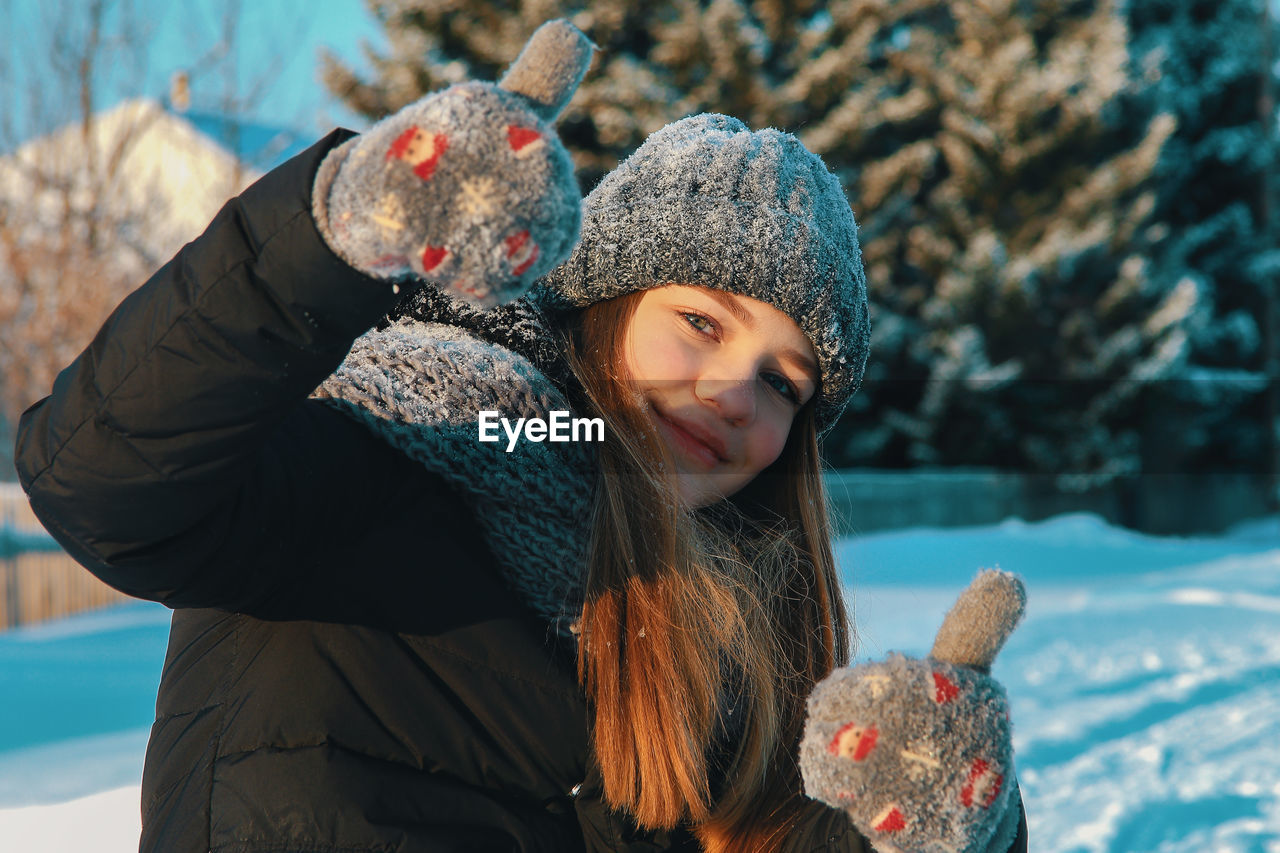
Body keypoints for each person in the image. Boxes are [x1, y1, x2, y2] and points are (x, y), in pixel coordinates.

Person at [14, 20, 1027, 853]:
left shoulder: (719, 629)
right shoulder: (388, 447)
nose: (733, 393)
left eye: (781, 381)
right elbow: (102, 478)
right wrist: (330, 237)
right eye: (701, 324)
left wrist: (942, 823)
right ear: (601, 311)